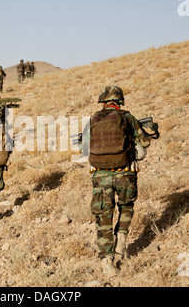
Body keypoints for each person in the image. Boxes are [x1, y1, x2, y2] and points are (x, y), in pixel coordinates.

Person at [80, 86, 153, 278]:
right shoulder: (127, 117)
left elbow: (84, 148)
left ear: (102, 101)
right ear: (119, 101)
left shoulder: (92, 120)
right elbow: (145, 142)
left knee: (103, 216)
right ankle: (121, 238)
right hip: (125, 173)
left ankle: (107, 261)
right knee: (126, 206)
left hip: (100, 175)